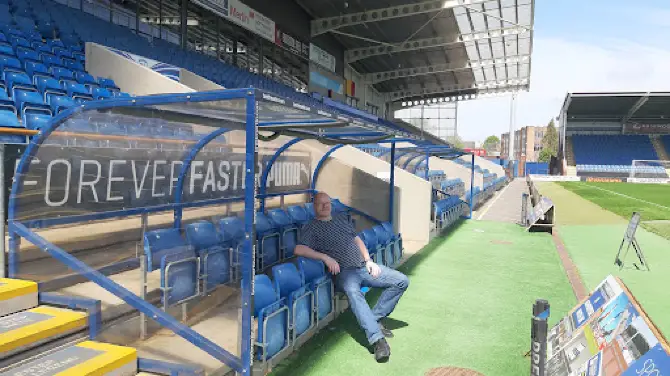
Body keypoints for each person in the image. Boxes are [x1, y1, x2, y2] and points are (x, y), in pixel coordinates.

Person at [294, 192, 409, 362]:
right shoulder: (311, 227)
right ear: (314, 206)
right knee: (355, 293)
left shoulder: (341, 219)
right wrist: (325, 257)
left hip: (362, 267)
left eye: (328, 203)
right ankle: (377, 340)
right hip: (345, 273)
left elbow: (357, 240)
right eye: (321, 204)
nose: (325, 206)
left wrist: (369, 261)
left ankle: (374, 318)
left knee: (401, 281)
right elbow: (299, 250)